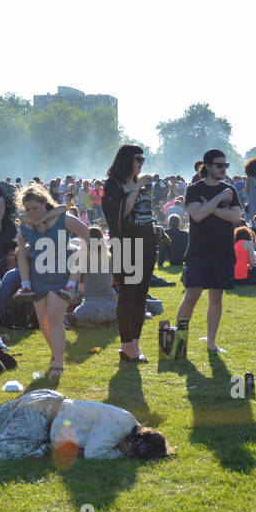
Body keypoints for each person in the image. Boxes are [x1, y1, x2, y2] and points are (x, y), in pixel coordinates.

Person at [0, 390, 171, 466]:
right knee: (7, 446)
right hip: (44, 417)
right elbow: (93, 453)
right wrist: (118, 455)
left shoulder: (125, 418)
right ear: (136, 443)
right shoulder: (119, 428)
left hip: (46, 402)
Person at [13, 185, 91, 382]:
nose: (31, 212)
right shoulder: (25, 224)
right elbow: (21, 245)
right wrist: (28, 246)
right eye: (27, 209)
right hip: (38, 276)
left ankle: (58, 365)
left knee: (55, 317)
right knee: (43, 322)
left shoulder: (62, 218)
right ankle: (56, 355)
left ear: (44, 203)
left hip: (61, 276)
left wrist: (80, 254)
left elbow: (86, 233)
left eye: (35, 208)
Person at [175, 149, 242, 355]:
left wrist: (210, 208)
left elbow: (236, 217)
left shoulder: (231, 189)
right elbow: (196, 215)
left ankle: (211, 343)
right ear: (208, 166)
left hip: (223, 251)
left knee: (216, 297)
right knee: (192, 295)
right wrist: (219, 199)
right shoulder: (194, 189)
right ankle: (179, 341)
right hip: (198, 251)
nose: (224, 169)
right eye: (220, 165)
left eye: (226, 166)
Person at [101, 144, 158, 362]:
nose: (141, 163)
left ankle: (134, 344)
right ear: (127, 160)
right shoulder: (113, 184)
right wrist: (136, 189)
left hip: (147, 243)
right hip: (126, 245)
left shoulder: (140, 183)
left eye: (143, 159)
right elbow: (119, 214)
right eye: (138, 159)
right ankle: (126, 345)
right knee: (128, 295)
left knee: (141, 296)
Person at [70, 228, 118, 325]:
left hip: (91, 307)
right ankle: (109, 323)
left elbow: (77, 283)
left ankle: (94, 325)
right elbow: (112, 281)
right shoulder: (109, 258)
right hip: (113, 306)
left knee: (70, 317)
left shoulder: (81, 259)